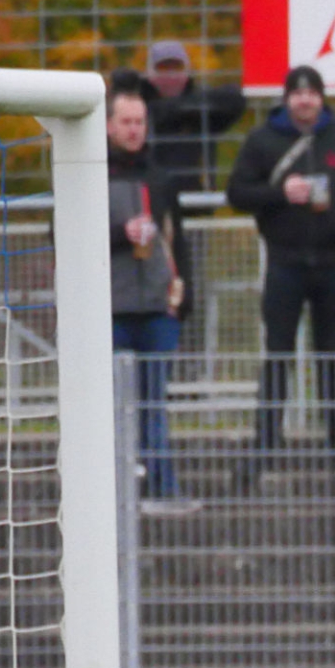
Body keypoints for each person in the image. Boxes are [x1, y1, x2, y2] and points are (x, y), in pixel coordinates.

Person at [226, 64, 335, 482]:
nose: (305, 100)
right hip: (285, 260)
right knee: (278, 353)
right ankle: (266, 441)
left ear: (321, 97)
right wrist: (280, 193)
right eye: (297, 94)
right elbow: (237, 191)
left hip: (334, 260)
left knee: (331, 353)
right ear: (286, 99)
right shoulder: (263, 140)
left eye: (312, 93)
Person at [107, 88, 190, 511]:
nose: (134, 129)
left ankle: (162, 488)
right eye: (126, 121)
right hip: (110, 311)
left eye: (139, 122)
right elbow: (62, 233)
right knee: (111, 407)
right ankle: (112, 493)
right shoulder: (87, 173)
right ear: (108, 126)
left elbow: (178, 239)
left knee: (154, 403)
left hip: (157, 309)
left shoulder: (160, 178)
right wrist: (121, 234)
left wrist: (182, 298)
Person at [112, 40, 246, 199]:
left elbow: (236, 99)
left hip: (195, 198)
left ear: (187, 71)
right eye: (163, 68)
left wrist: (176, 108)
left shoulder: (202, 108)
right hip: (149, 198)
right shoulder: (138, 106)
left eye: (177, 68)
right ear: (149, 74)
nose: (171, 74)